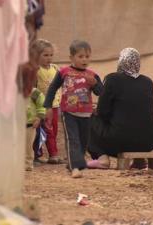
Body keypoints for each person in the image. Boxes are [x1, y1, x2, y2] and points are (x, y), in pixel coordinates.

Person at [87, 47, 153, 169]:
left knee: (88, 118)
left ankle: (102, 158)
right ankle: (139, 160)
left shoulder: (112, 79)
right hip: (149, 142)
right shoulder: (148, 82)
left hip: (119, 142)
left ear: (120, 62)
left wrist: (96, 110)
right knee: (137, 122)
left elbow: (103, 112)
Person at [44, 40, 103, 178]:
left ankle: (75, 162)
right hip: (68, 112)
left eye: (87, 56)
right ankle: (75, 167)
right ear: (71, 57)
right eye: (80, 56)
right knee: (73, 139)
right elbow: (52, 88)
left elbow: (101, 92)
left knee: (83, 140)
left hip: (86, 114)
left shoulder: (92, 75)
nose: (84, 59)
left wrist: (94, 84)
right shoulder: (64, 72)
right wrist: (48, 107)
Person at [31, 38, 63, 164]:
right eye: (45, 55)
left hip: (54, 106)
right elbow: (32, 88)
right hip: (40, 107)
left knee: (53, 130)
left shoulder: (55, 69)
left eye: (51, 55)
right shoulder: (36, 70)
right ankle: (37, 155)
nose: (49, 58)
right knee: (38, 131)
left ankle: (52, 154)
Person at [25, 87, 46, 171]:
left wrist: (39, 117)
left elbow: (41, 104)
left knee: (28, 145)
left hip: (30, 123)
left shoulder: (34, 92)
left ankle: (28, 164)